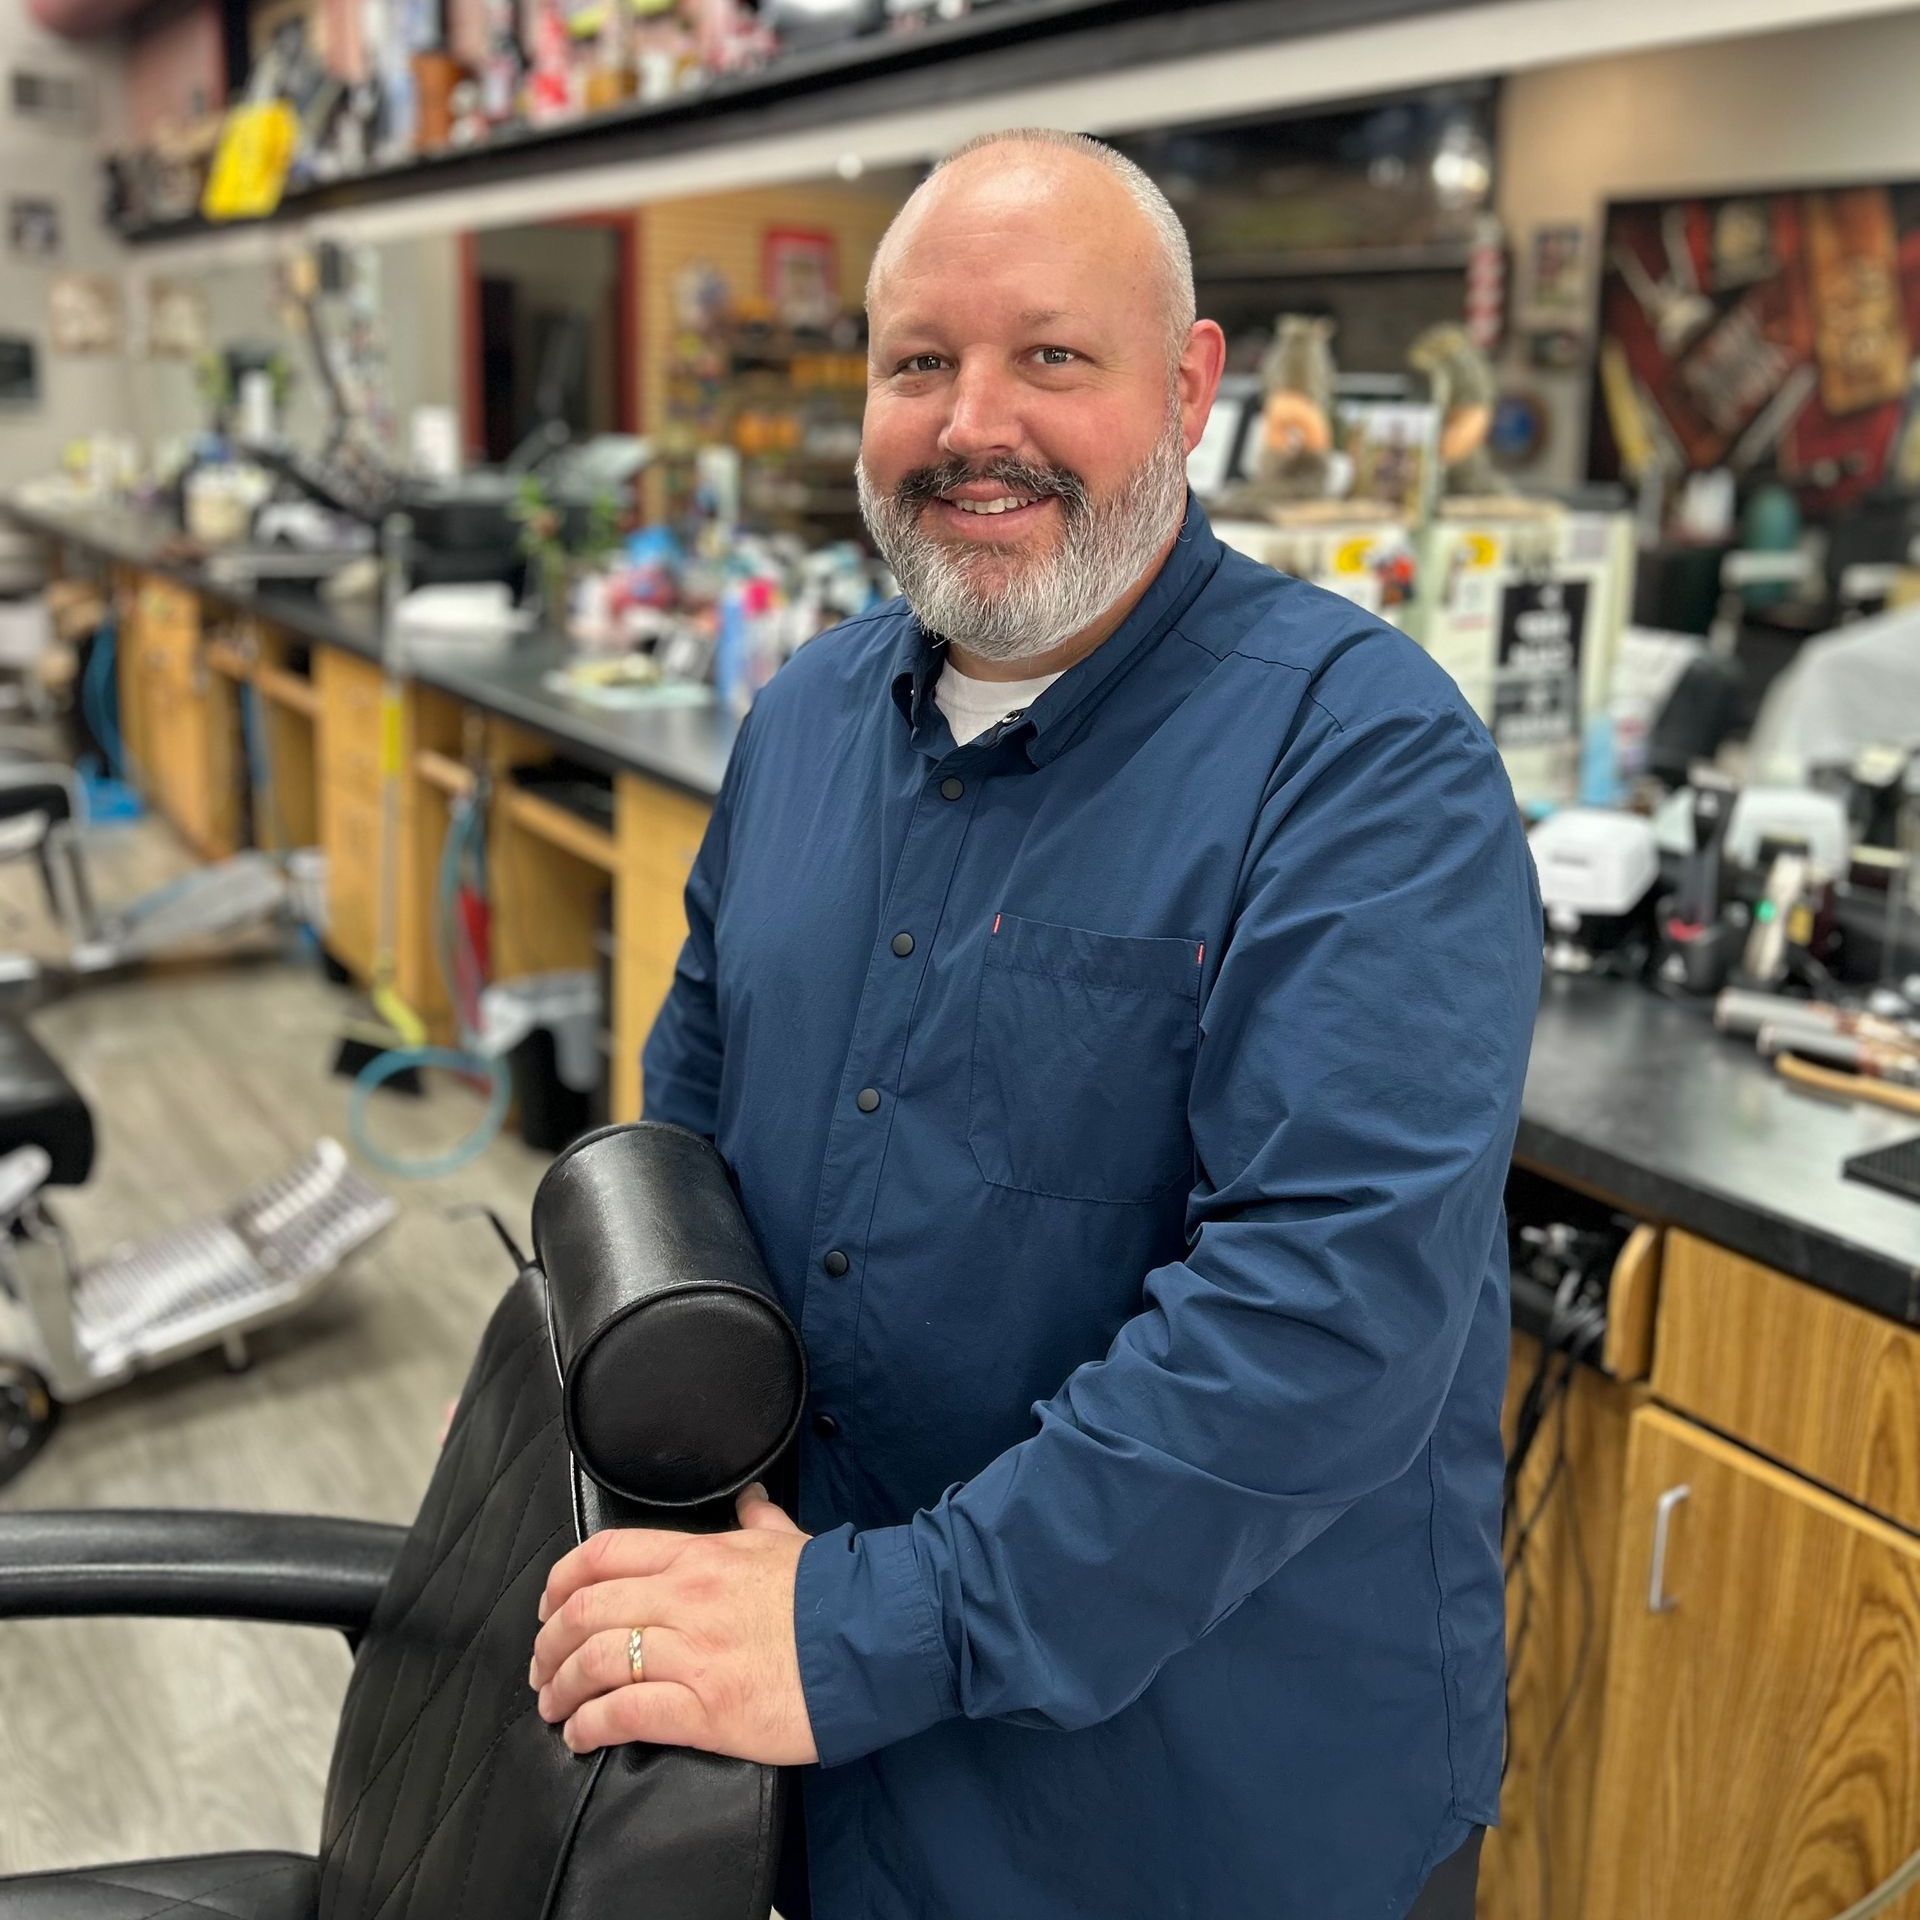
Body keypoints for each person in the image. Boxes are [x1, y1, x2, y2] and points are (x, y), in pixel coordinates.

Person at [527, 128, 1542, 1919]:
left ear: (1191, 385)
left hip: (1196, 1807)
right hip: (830, 1758)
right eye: (920, 359)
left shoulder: (1365, 764)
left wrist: (869, 1626)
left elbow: (1317, 1328)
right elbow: (688, 1152)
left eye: (1051, 356)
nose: (971, 422)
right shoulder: (805, 722)